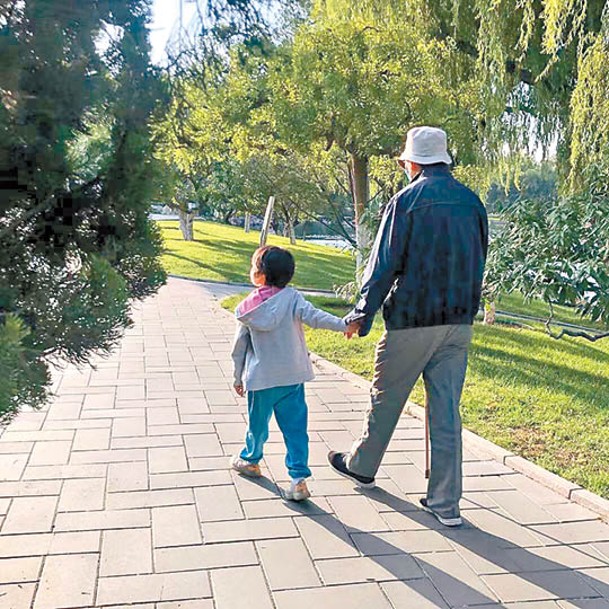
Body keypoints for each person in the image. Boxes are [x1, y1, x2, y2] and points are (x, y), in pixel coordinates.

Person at [327, 126, 489, 526]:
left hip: (413, 319)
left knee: (387, 398)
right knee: (446, 411)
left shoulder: (406, 201)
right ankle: (445, 503)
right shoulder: (473, 203)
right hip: (458, 322)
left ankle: (362, 466)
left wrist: (362, 315)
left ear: (413, 162)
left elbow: (382, 263)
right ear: (444, 161)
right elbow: (480, 257)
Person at [231, 245, 359, 501]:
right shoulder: (293, 299)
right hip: (292, 378)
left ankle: (251, 460)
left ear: (260, 274)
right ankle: (298, 479)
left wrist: (237, 376)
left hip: (261, 380)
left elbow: (239, 347)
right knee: (296, 430)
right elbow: (316, 317)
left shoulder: (248, 310)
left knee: (257, 426)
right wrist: (344, 324)